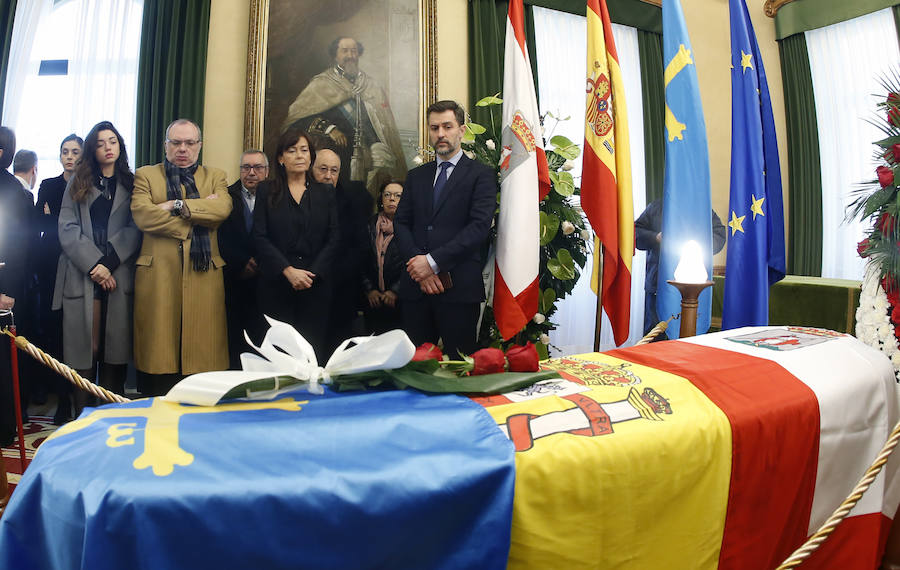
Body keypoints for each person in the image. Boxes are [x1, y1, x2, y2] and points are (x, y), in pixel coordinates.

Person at [131, 119, 232, 395]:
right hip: (158, 275)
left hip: (204, 275)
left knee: (202, 353)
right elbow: (143, 216)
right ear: (166, 145)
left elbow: (221, 210)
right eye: (176, 142)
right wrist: (197, 217)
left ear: (199, 146)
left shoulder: (216, 176)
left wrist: (175, 205)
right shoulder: (146, 175)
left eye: (189, 143)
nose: (183, 149)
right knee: (159, 353)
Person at [393, 100, 496, 358]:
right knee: (413, 368)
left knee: (459, 370)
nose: (440, 134)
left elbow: (478, 228)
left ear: (461, 130)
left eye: (447, 126)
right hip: (416, 290)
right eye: (434, 127)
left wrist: (432, 262)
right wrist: (422, 270)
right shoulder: (416, 176)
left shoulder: (481, 175)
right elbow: (401, 223)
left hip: (459, 291)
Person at [53, 121, 141, 419]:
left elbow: (136, 228)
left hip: (118, 275)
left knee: (115, 351)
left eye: (113, 141)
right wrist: (95, 264)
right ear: (93, 148)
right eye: (101, 142)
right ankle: (83, 420)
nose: (108, 147)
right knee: (84, 352)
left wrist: (109, 264)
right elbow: (66, 228)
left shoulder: (132, 182)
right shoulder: (77, 181)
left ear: (120, 146)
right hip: (83, 275)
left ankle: (111, 420)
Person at [253, 127, 338, 361]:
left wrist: (311, 274)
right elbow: (259, 236)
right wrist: (288, 271)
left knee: (311, 354)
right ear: (281, 158)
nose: (300, 155)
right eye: (292, 150)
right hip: (277, 285)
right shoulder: (266, 190)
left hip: (315, 286)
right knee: (279, 356)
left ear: (311, 156)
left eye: (304, 150)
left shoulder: (325, 192)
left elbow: (333, 238)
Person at [281, 36, 406, 195]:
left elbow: (382, 122)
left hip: (369, 154)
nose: (350, 55)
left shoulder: (370, 85)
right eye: (345, 51)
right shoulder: (322, 83)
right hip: (335, 155)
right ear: (335, 55)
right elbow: (299, 118)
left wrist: (377, 143)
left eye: (354, 51)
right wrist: (329, 129)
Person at [34, 134, 83, 412]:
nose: (69, 156)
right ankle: (56, 392)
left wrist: (56, 219)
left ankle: (72, 394)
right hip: (50, 262)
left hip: (77, 263)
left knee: (73, 331)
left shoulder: (86, 186)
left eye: (75, 151)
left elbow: (77, 227)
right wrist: (59, 222)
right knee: (51, 329)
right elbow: (40, 220)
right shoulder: (49, 184)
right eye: (65, 151)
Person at [310, 145, 373, 352]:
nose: (328, 176)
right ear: (311, 169)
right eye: (323, 169)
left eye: (334, 170)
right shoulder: (300, 196)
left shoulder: (353, 201)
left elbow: (360, 247)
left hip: (342, 290)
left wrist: (334, 274)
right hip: (306, 287)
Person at [635, 198, 727, 335]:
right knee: (655, 333)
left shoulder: (701, 208)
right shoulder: (656, 206)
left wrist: (697, 244)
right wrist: (655, 237)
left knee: (690, 331)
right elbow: (636, 232)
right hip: (658, 283)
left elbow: (719, 234)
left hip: (693, 285)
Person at [219, 149, 268, 369]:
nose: (251, 172)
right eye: (246, 167)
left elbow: (280, 235)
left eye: (258, 167)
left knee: (262, 342)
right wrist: (241, 262)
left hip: (265, 280)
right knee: (234, 343)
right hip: (233, 279)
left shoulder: (276, 197)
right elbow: (220, 237)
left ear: (266, 171)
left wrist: (259, 261)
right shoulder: (225, 196)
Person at [0, 127, 33, 444]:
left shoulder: (14, 191)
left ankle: (5, 427)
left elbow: (19, 248)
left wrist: (7, 291)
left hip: (3, 290)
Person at [363, 179, 404, 334]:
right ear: (381, 200)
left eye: (398, 195)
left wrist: (395, 291)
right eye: (387, 194)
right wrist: (369, 289)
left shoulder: (411, 227)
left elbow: (412, 262)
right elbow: (361, 260)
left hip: (401, 302)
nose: (391, 198)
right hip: (373, 300)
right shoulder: (369, 224)